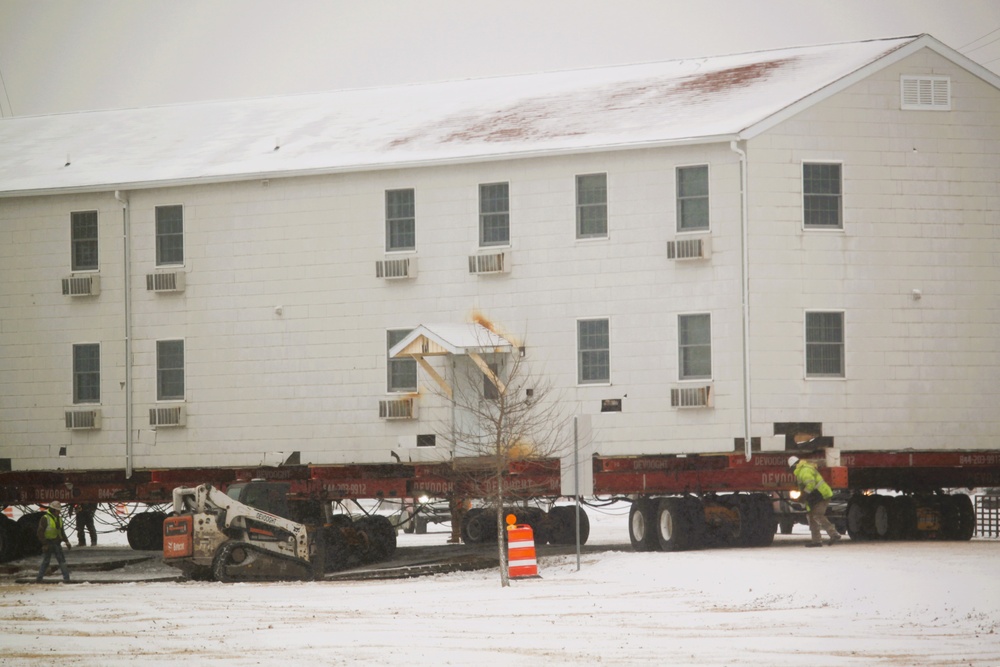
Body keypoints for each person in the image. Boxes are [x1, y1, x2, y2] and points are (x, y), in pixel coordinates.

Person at [788, 456, 842, 547]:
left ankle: (834, 534)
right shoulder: (802, 470)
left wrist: (803, 496)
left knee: (817, 515)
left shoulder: (804, 470)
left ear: (793, 466)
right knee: (811, 516)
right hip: (815, 497)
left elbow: (810, 485)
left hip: (822, 495)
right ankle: (816, 541)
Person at [36, 501, 72, 582]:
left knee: (62, 561)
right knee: (46, 562)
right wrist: (44, 543)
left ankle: (67, 579)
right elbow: (40, 532)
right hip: (48, 543)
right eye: (58, 511)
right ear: (53, 510)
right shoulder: (45, 518)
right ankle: (39, 579)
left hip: (56, 543)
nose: (59, 512)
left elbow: (61, 531)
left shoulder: (59, 519)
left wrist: (66, 541)